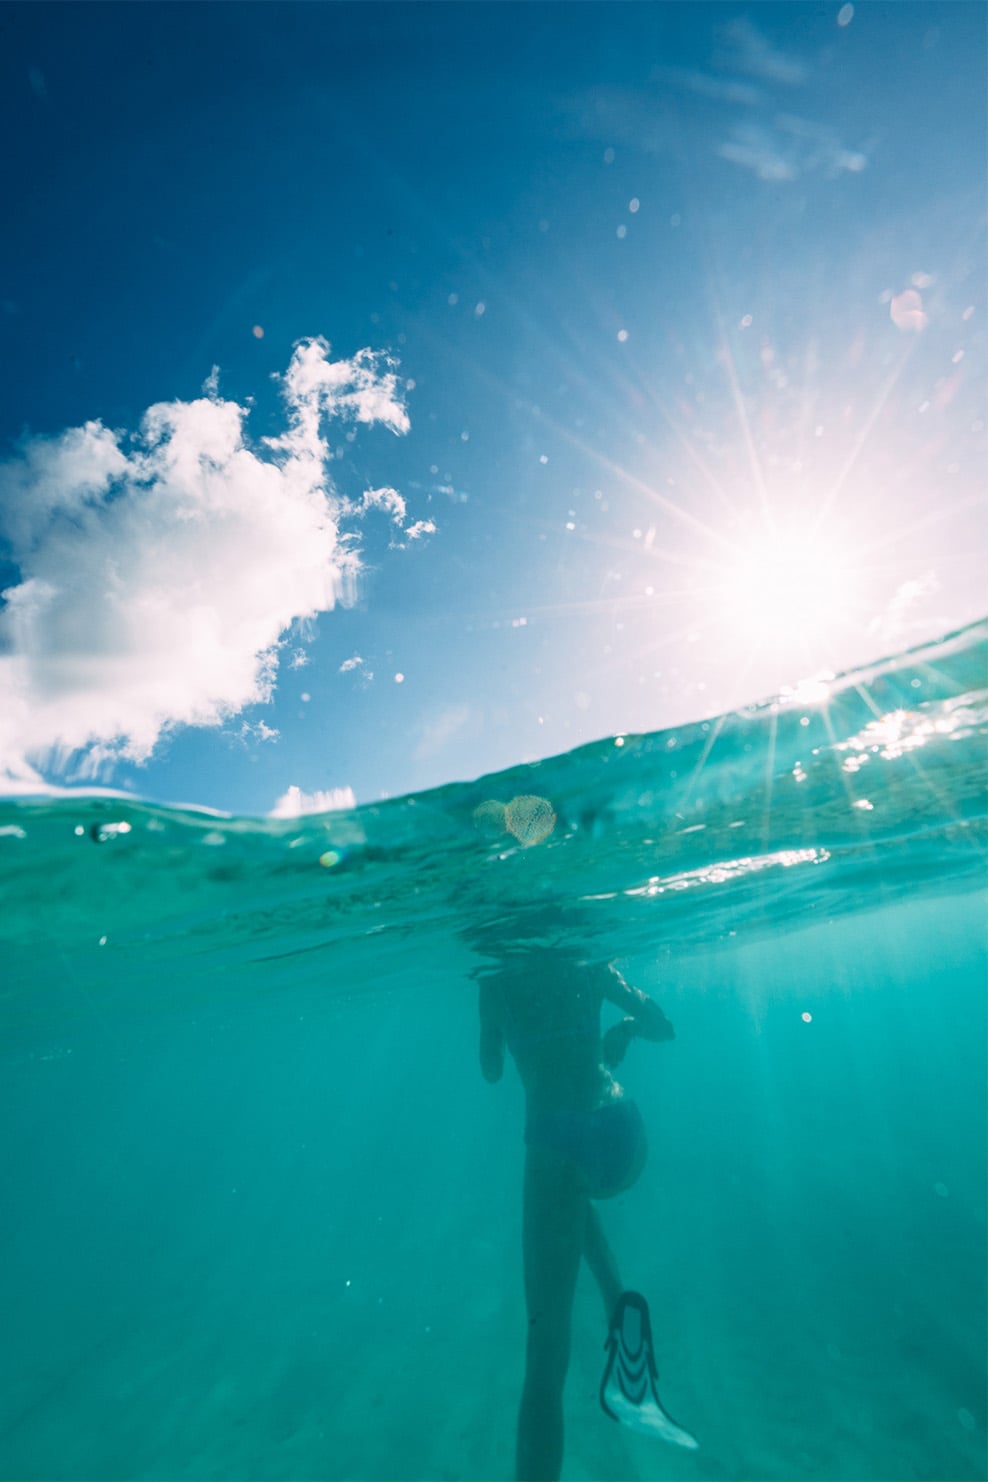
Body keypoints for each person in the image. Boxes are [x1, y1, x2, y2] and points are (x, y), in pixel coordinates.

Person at [476, 944, 697, 1481]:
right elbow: (661, 1025)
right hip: (623, 1133)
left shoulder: (494, 978)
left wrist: (503, 1028)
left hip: (556, 1141)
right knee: (571, 1198)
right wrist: (619, 1032)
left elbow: (491, 1071)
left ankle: (614, 1299)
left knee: (545, 1359)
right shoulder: (586, 960)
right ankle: (618, 1302)